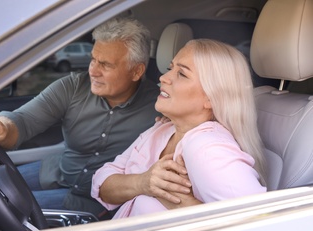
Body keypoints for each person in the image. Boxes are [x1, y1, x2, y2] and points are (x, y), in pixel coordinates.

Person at [0, 17, 192, 220]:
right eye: (93, 59)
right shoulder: (73, 86)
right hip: (58, 171)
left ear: (136, 71)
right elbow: (23, 119)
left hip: (95, 200)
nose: (93, 70)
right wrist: (2, 127)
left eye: (105, 64)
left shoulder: (162, 108)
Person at [91, 39, 267, 219]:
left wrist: (176, 200)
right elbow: (101, 184)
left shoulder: (208, 148)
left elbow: (258, 224)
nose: (163, 78)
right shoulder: (162, 130)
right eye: (170, 69)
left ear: (212, 98)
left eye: (182, 74)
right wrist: (143, 183)